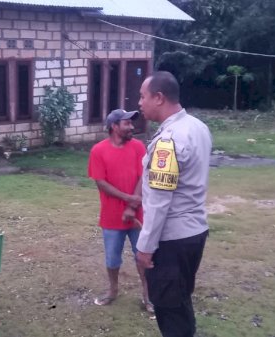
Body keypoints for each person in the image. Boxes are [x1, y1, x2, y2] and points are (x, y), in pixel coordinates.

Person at [135, 71, 212, 337]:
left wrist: (145, 247)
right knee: (180, 300)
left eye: (143, 96)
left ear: (159, 98)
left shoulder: (168, 141)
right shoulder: (197, 127)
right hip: (194, 232)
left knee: (169, 309)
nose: (139, 103)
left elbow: (158, 202)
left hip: (172, 239)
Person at [87, 109, 153, 313]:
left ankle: (148, 296)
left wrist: (132, 206)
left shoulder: (138, 147)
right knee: (112, 259)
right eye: (127, 123)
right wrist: (127, 199)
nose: (132, 126)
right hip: (111, 216)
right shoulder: (98, 151)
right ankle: (113, 290)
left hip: (138, 215)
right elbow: (101, 182)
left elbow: (144, 176)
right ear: (114, 126)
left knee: (142, 256)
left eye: (131, 123)